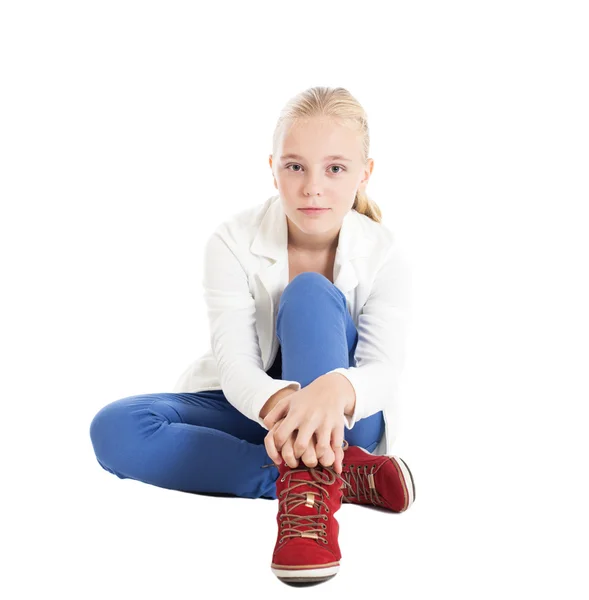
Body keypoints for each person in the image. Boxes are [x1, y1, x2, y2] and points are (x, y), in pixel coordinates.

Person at [89, 86, 416, 585]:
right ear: (273, 167)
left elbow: (383, 371)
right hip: (256, 407)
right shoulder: (232, 239)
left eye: (335, 168)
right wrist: (286, 405)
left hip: (347, 421)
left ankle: (308, 513)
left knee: (309, 293)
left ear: (364, 173)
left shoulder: (384, 252)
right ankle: (336, 477)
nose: (312, 188)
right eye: (295, 166)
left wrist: (334, 389)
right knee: (116, 427)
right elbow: (237, 366)